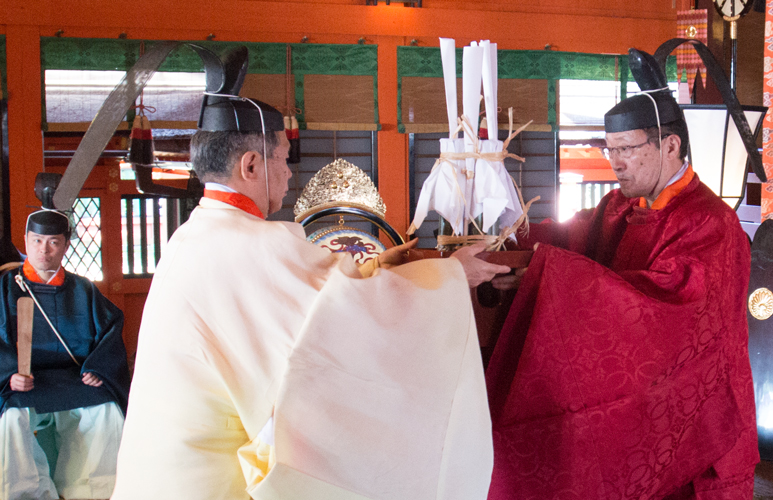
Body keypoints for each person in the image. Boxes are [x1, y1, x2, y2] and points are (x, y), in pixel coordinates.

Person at [112, 46, 509, 500]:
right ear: (251, 165)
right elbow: (352, 323)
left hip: (165, 471)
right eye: (282, 158)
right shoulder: (257, 245)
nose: (287, 173)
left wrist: (388, 266)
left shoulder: (193, 237)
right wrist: (450, 278)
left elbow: (321, 304)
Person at [486, 88, 758, 499]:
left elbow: (667, 304)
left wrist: (546, 272)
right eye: (609, 149)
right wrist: (507, 242)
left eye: (627, 148)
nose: (614, 163)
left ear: (670, 145)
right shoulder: (618, 207)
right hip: (641, 404)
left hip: (696, 413)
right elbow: (567, 237)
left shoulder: (709, 222)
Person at [0, 208, 130, 500]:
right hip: (26, 381)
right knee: (11, 416)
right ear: (25, 240)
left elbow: (109, 327)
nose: (43, 250)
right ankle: (26, 493)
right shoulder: (6, 288)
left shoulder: (83, 289)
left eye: (53, 242)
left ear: (65, 244)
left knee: (105, 408)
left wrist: (99, 367)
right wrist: (8, 374)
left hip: (74, 377)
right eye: (36, 241)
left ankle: (91, 491)